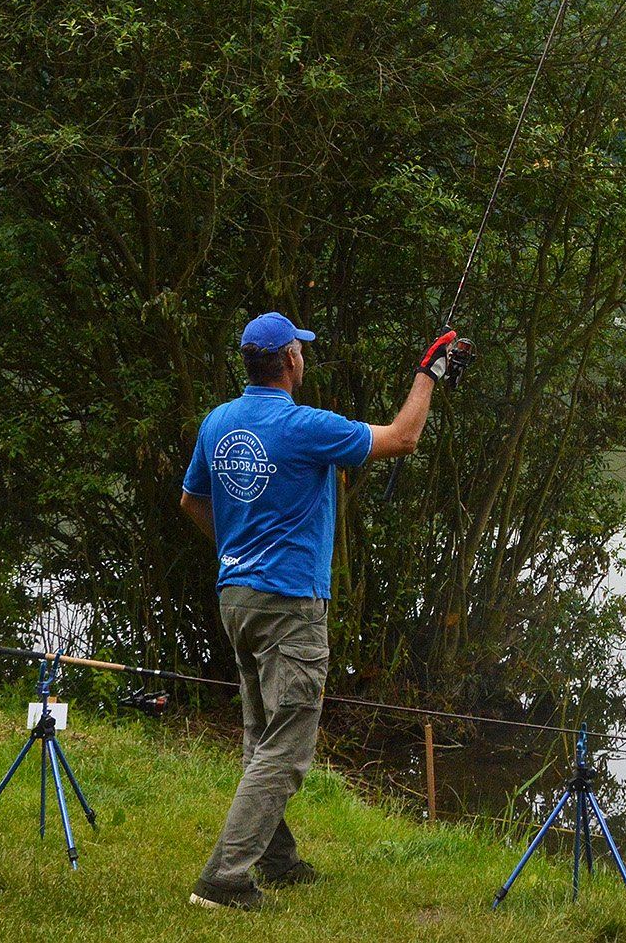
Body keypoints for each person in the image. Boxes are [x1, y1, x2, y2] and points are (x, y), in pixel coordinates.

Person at [179, 310, 470, 911]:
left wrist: (236, 551)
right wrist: (429, 374)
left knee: (263, 732)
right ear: (289, 361)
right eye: (301, 351)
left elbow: (190, 500)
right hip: (289, 607)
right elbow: (402, 438)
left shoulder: (218, 422)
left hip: (236, 598)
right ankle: (224, 879)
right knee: (287, 744)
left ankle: (277, 860)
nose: (304, 358)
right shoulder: (303, 426)